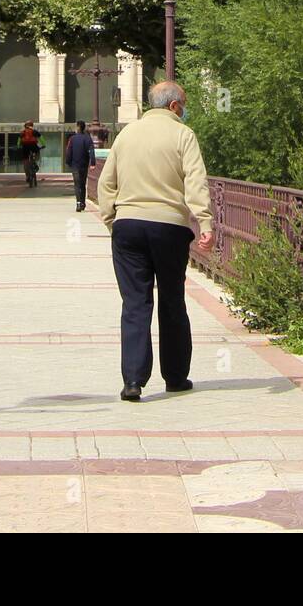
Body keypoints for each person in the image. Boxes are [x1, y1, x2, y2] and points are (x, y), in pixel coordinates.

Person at [96, 81, 214, 401]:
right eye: (184, 104)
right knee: (172, 300)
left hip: (129, 226)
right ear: (175, 106)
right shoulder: (182, 135)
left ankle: (133, 381)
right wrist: (204, 221)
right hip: (169, 228)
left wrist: (113, 221)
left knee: (135, 303)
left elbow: (107, 185)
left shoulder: (127, 134)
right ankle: (175, 377)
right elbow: (195, 181)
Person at [64, 120, 97, 212]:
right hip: (84, 164)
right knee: (82, 184)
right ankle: (82, 203)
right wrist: (93, 162)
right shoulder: (88, 138)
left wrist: (68, 161)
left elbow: (69, 151)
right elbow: (91, 151)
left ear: (78, 127)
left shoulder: (72, 139)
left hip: (75, 165)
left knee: (77, 184)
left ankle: (78, 202)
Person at [18, 120, 42, 188]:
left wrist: (18, 146)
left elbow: (18, 141)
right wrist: (43, 145)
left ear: (25, 126)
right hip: (33, 147)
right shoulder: (35, 132)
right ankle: (35, 162)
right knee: (37, 153)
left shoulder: (22, 132)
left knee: (25, 161)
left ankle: (28, 176)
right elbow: (42, 139)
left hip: (25, 147)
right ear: (32, 125)